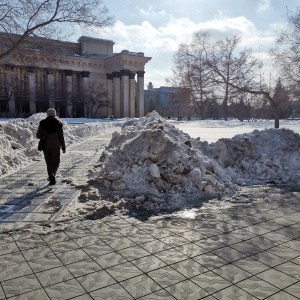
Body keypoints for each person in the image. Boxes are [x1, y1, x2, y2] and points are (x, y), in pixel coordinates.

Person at [36, 108, 66, 185]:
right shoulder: (58, 123)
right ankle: (53, 174)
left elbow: (38, 135)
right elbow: (61, 137)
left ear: (47, 114)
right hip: (56, 146)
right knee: (56, 162)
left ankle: (50, 175)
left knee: (48, 162)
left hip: (46, 146)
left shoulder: (42, 123)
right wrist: (63, 147)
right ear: (54, 114)